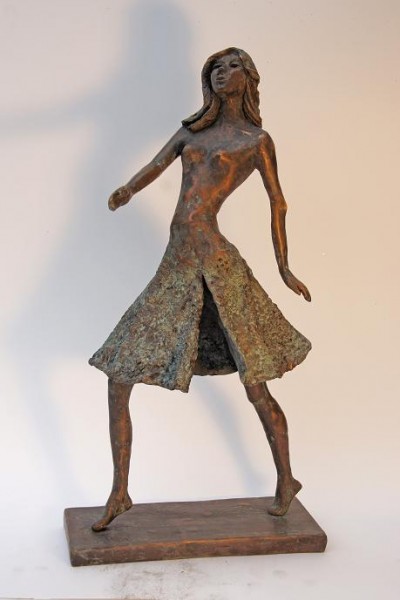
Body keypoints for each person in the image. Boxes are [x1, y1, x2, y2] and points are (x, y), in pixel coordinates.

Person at [89, 48, 311, 532]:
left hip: (215, 259)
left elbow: (277, 202)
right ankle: (120, 492)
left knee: (255, 384)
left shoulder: (256, 140)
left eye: (232, 66)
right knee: (118, 373)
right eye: (214, 68)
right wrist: (128, 190)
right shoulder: (191, 132)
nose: (221, 73)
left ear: (249, 77)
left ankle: (286, 478)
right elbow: (156, 164)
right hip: (179, 262)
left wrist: (284, 267)